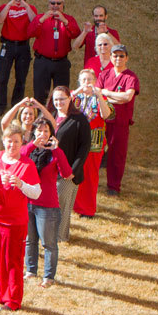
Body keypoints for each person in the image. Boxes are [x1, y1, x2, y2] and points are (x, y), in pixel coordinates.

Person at [0, 125, 40, 310]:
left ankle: (13, 299)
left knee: (13, 261)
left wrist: (21, 184)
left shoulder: (27, 164)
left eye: (16, 141)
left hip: (14, 221)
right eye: (9, 141)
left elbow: (36, 193)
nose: (12, 145)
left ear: (22, 143)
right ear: (4, 141)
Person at [22, 119, 71, 287]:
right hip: (28, 201)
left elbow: (66, 173)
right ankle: (31, 271)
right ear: (34, 132)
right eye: (39, 130)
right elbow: (18, 159)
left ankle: (48, 276)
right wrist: (32, 145)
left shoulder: (55, 153)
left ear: (51, 134)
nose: (42, 134)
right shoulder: (29, 151)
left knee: (48, 243)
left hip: (47, 206)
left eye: (46, 131)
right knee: (30, 240)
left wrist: (56, 150)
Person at [47, 86, 91, 242]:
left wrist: (73, 170)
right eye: (56, 99)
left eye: (62, 99)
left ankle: (60, 237)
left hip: (68, 172)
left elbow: (85, 147)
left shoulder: (79, 119)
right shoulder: (51, 116)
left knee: (62, 203)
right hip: (49, 169)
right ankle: (48, 234)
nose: (59, 102)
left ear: (70, 99)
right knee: (49, 203)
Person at [96, 45, 140, 196]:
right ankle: (90, 181)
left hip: (120, 121)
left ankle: (113, 187)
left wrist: (106, 93)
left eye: (121, 56)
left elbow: (127, 97)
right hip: (101, 119)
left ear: (127, 58)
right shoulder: (104, 74)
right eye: (115, 55)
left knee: (117, 154)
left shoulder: (130, 77)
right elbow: (97, 93)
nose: (118, 59)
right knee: (94, 149)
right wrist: (116, 98)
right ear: (111, 57)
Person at [72, 69, 114, 217]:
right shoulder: (75, 97)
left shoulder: (101, 98)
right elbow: (61, 105)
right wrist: (78, 91)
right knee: (74, 173)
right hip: (76, 142)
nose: (87, 83)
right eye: (84, 80)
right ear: (79, 82)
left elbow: (106, 114)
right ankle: (75, 205)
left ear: (95, 81)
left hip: (93, 144)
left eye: (89, 79)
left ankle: (87, 209)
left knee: (90, 176)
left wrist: (99, 95)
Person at [0, 0, 38, 116]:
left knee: (21, 79)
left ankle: (16, 106)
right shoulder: (5, 6)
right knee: (2, 77)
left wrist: (25, 5)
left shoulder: (30, 8)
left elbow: (34, 21)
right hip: (8, 46)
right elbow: (0, 20)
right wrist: (10, 4)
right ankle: (0, 105)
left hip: (23, 46)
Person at [28, 0, 80, 104]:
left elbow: (75, 34)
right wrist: (42, 20)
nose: (55, 5)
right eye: (53, 3)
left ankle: (59, 115)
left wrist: (65, 21)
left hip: (61, 63)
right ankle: (40, 114)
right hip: (43, 62)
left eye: (58, 3)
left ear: (63, 4)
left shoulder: (69, 19)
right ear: (48, 4)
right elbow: (30, 33)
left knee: (62, 95)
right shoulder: (40, 18)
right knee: (40, 94)